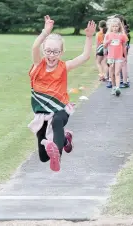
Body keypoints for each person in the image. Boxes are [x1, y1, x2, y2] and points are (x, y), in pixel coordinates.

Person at [28, 15, 96, 171]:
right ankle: (65, 140)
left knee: (58, 120)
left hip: (60, 109)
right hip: (42, 114)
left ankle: (57, 154)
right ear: (44, 50)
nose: (52, 55)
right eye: (48, 51)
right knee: (43, 158)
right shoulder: (38, 65)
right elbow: (34, 47)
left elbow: (85, 57)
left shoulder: (64, 67)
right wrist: (45, 31)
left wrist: (89, 37)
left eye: (56, 52)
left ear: (62, 52)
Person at [104, 18, 127, 96]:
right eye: (113, 26)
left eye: (116, 26)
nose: (115, 28)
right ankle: (114, 87)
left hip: (119, 57)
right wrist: (108, 41)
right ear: (111, 27)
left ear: (119, 27)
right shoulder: (108, 35)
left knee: (117, 73)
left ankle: (118, 88)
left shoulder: (122, 36)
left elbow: (124, 47)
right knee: (112, 73)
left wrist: (125, 57)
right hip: (110, 57)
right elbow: (104, 45)